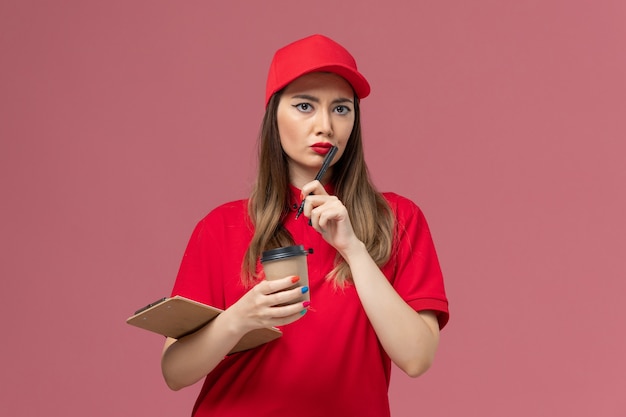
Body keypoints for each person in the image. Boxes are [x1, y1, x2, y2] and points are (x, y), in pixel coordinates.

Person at [160, 34, 449, 417]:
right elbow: (175, 372)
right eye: (304, 106)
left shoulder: (397, 220)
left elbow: (417, 357)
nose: (325, 125)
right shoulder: (220, 227)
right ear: (273, 116)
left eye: (341, 109)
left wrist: (353, 249)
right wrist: (238, 320)